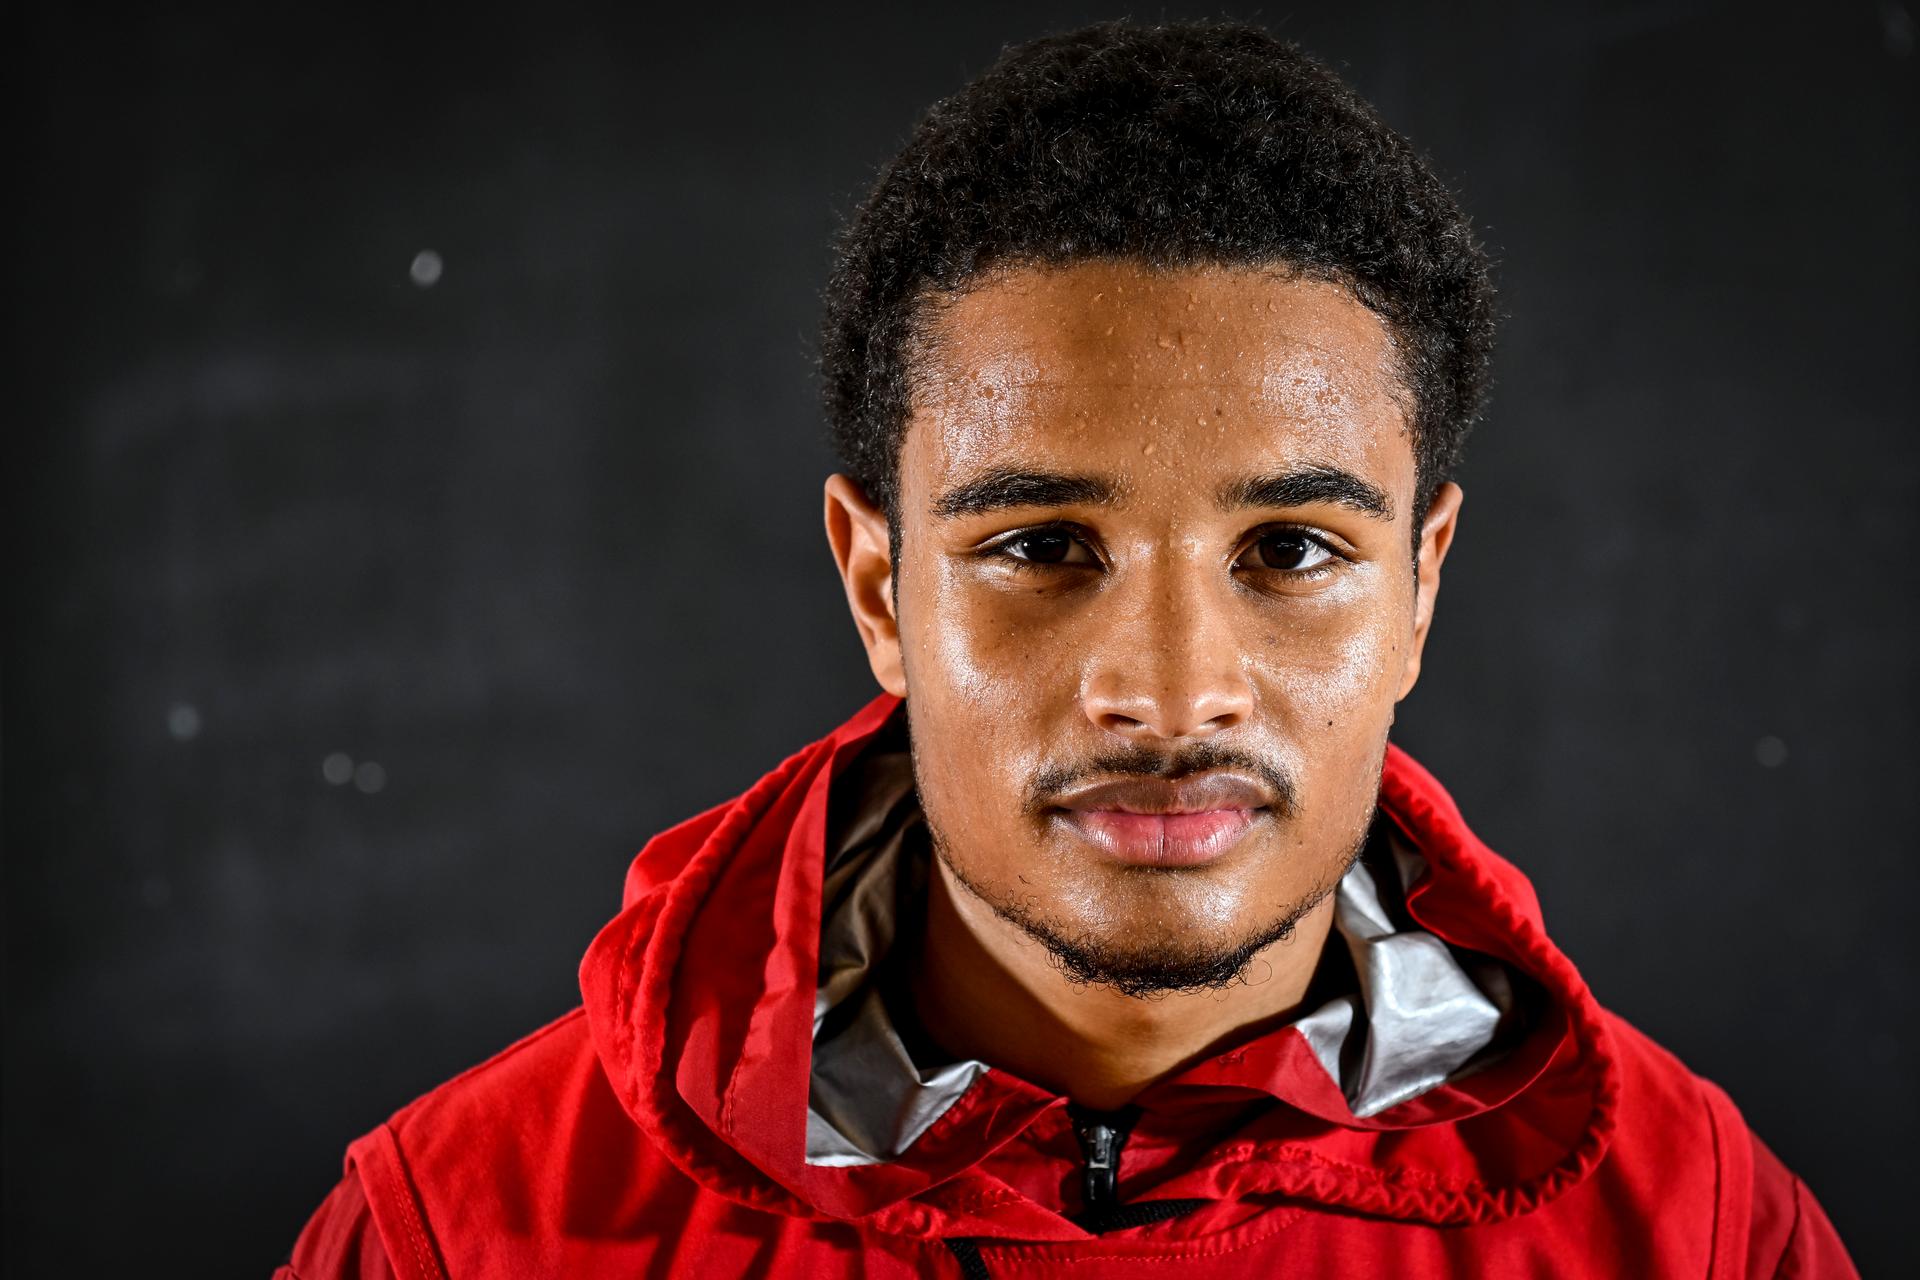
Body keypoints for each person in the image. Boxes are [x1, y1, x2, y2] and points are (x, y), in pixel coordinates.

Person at [279, 19, 1855, 1278]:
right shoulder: (462, 1230)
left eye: (1292, 551)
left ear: (1419, 590)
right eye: (1040, 547)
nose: (1169, 690)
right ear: (882, 590)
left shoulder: (1699, 1225)